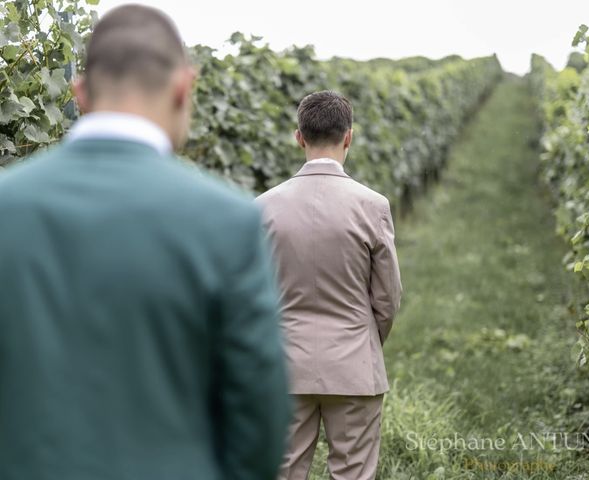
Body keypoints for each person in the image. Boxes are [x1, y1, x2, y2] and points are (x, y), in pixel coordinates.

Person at [0, 5, 290, 480]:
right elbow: (259, 419)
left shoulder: (6, 207)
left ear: (80, 94)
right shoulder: (228, 220)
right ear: (183, 88)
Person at [257, 91, 403, 480]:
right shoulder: (373, 205)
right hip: (354, 362)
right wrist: (365, 341)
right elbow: (387, 298)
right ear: (349, 138)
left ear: (298, 137)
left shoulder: (263, 206)